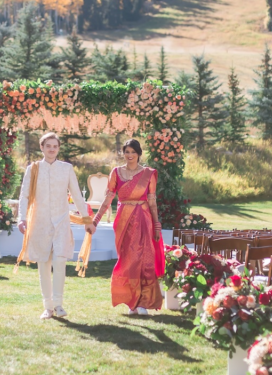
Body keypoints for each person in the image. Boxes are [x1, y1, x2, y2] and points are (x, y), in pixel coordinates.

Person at [17, 132, 95, 319]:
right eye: (48, 146)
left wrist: (86, 220)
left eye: (55, 146)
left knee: (60, 262)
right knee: (44, 264)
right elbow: (24, 196)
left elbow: (76, 195)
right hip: (40, 222)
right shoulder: (33, 169)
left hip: (61, 222)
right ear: (42, 148)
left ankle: (59, 305)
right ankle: (48, 307)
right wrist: (21, 218)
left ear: (58, 148)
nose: (52, 149)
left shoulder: (66, 168)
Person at [92, 139, 165, 315]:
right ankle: (131, 302)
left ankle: (143, 303)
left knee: (144, 259)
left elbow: (152, 201)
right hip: (123, 221)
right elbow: (108, 198)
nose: (130, 155)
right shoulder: (116, 172)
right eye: (127, 152)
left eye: (133, 152)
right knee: (127, 260)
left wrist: (156, 225)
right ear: (123, 153)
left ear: (139, 154)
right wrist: (96, 219)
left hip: (144, 219)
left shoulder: (148, 174)